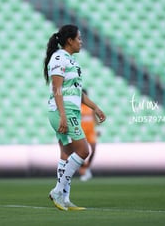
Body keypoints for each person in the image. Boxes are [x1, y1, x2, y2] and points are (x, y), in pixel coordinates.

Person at [43, 24, 106, 211]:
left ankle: (65, 199)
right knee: (84, 151)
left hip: (69, 111)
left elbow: (77, 92)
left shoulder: (72, 61)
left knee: (66, 152)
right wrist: (63, 115)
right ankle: (57, 191)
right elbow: (56, 89)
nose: (81, 41)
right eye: (79, 38)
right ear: (69, 41)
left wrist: (95, 107)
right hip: (63, 112)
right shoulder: (58, 58)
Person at [79, 88, 100, 182]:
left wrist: (98, 129)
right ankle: (84, 170)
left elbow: (95, 120)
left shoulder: (90, 107)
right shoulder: (77, 106)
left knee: (93, 150)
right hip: (81, 133)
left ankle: (87, 168)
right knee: (81, 153)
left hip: (91, 132)